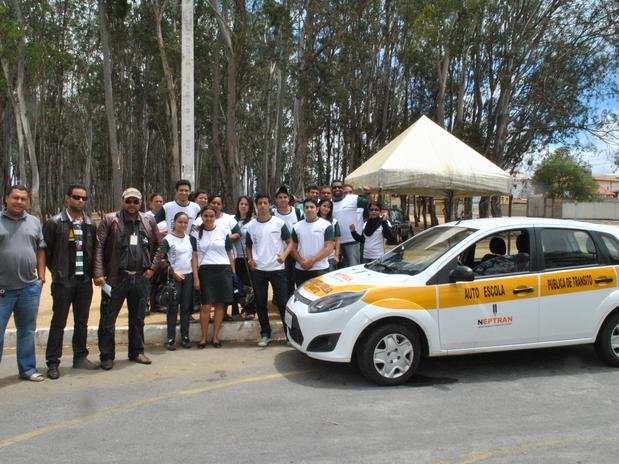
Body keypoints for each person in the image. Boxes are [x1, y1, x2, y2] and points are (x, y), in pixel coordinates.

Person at [94, 188, 161, 370]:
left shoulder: (149, 220)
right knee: (108, 318)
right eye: (129, 201)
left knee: (138, 317)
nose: (132, 205)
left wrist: (152, 269)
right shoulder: (110, 220)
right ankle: (107, 356)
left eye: (135, 202)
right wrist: (99, 273)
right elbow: (99, 247)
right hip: (116, 278)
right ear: (122, 201)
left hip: (140, 277)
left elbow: (159, 246)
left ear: (140, 204)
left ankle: (136, 351)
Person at [43, 183, 98, 379]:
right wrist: (58, 272)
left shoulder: (90, 224)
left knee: (81, 322)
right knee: (58, 322)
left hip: (84, 282)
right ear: (67, 198)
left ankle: (80, 357)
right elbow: (47, 253)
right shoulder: (54, 223)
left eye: (84, 198)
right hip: (63, 282)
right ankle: (53, 362)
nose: (80, 201)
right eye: (76, 197)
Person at [0, 185, 46, 382]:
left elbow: (40, 249)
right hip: (3, 290)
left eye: (23, 199)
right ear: (6, 199)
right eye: (15, 198)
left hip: (29, 288)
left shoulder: (34, 222)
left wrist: (41, 277)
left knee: (27, 331)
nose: (19, 202)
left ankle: (27, 369)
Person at [246, 193, 293, 347]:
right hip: (258, 270)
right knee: (260, 303)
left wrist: (284, 256)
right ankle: (265, 333)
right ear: (256, 205)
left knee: (282, 303)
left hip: (277, 269)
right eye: (260, 203)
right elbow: (248, 245)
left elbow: (290, 242)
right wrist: (250, 259)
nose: (263, 206)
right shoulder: (251, 226)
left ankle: (289, 335)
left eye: (266, 203)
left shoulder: (279, 223)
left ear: (270, 204)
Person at [192, 205, 235, 348]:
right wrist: (196, 278)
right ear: (201, 217)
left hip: (223, 270)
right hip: (205, 271)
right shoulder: (196, 233)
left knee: (219, 305)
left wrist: (233, 273)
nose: (209, 218)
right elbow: (194, 257)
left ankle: (215, 337)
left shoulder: (223, 231)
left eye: (211, 216)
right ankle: (203, 337)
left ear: (215, 216)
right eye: (206, 216)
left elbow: (229, 253)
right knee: (205, 306)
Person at [158, 212, 198, 350]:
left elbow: (193, 258)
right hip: (174, 278)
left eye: (185, 223)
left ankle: (185, 338)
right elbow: (161, 259)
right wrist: (173, 272)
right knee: (173, 308)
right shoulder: (167, 239)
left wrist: (195, 277)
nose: (182, 225)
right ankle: (171, 339)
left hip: (188, 277)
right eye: (180, 222)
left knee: (186, 308)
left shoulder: (190, 239)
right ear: (174, 222)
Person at [291, 198, 334, 287]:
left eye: (312, 207)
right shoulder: (297, 226)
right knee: (302, 297)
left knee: (320, 299)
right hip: (301, 269)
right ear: (304, 209)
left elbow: (329, 248)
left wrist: (311, 261)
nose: (309, 209)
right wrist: (302, 262)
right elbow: (293, 248)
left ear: (317, 209)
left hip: (320, 269)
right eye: (306, 207)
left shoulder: (326, 225)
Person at [331, 180, 368, 267]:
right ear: (331, 189)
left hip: (352, 241)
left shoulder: (353, 198)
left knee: (354, 269)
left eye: (339, 187)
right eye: (334, 187)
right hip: (335, 243)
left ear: (342, 189)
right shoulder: (329, 203)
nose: (337, 189)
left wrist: (368, 194)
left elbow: (370, 204)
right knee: (337, 270)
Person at [272, 185, 300, 297]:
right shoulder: (272, 214)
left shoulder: (298, 212)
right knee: (283, 279)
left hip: (297, 252)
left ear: (289, 198)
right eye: (280, 197)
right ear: (276, 199)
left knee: (296, 277)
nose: (283, 199)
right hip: (281, 253)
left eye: (285, 197)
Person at [232, 195, 256, 320]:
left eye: (246, 204)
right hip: (233, 258)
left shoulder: (253, 221)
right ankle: (235, 310)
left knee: (249, 284)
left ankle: (250, 310)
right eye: (241, 204)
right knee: (234, 283)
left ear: (250, 207)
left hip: (247, 257)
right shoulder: (231, 219)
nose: (243, 206)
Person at [317, 198, 341, 271]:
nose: (326, 209)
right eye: (324, 206)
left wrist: (336, 256)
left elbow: (337, 240)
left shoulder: (334, 222)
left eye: (329, 207)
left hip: (330, 257)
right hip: (316, 257)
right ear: (319, 207)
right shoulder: (313, 221)